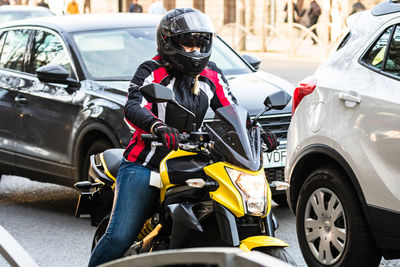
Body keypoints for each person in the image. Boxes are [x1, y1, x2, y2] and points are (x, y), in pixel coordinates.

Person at [87, 7, 278, 267]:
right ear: (169, 42)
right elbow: (133, 106)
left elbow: (231, 109)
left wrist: (257, 133)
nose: (195, 50)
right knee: (119, 236)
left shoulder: (211, 74)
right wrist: (157, 127)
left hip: (192, 161)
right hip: (146, 163)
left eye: (200, 43)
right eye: (188, 43)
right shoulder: (152, 71)